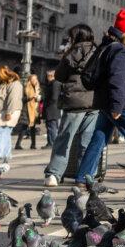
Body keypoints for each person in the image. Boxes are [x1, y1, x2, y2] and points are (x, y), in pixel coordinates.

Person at [74, 10, 125, 185]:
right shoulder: (120, 51)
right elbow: (116, 80)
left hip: (108, 102)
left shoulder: (111, 47)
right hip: (120, 103)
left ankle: (83, 176)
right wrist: (117, 106)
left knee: (99, 137)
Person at [44, 24, 100, 185]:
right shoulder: (99, 52)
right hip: (94, 103)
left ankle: (54, 174)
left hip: (74, 102)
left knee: (64, 140)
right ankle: (86, 176)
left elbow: (59, 76)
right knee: (87, 142)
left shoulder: (72, 53)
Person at [0, 66, 23, 161]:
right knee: (5, 133)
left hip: (7, 111)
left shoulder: (14, 84)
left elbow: (13, 99)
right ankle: (6, 154)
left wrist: (9, 112)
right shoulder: (0, 83)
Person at [15, 73, 41, 151]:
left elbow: (40, 98)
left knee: (33, 128)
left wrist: (39, 98)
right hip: (26, 110)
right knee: (24, 127)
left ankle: (33, 144)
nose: (35, 81)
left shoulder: (37, 88)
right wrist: (30, 97)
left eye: (36, 79)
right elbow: (22, 99)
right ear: (29, 80)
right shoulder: (26, 88)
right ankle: (18, 144)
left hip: (34, 110)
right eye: (33, 79)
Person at [41, 69, 61, 150]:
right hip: (51, 109)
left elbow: (54, 97)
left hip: (52, 109)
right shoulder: (51, 84)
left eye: (48, 76)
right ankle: (50, 142)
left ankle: (52, 143)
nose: (47, 77)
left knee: (52, 127)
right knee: (50, 126)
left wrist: (48, 104)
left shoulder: (55, 84)